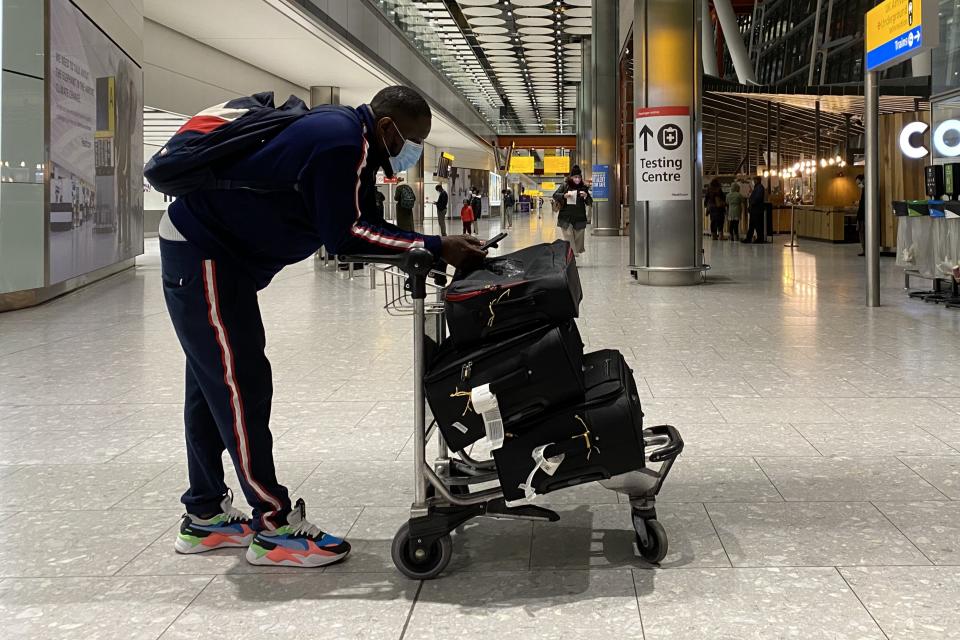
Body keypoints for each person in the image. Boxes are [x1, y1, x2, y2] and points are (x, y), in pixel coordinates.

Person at [157, 85, 484, 568]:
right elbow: (345, 235)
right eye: (412, 140)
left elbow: (366, 220)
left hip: (215, 255)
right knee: (239, 385)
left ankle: (204, 515)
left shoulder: (353, 138)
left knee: (212, 387)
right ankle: (273, 528)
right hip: (203, 252)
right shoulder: (342, 141)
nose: (410, 152)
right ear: (390, 126)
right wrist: (436, 247)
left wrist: (431, 245)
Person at [553, 165, 592, 255]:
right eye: (575, 177)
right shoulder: (565, 185)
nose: (577, 179)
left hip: (579, 218)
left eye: (579, 177)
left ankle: (573, 253)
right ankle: (572, 256)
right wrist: (564, 195)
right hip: (566, 217)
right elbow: (555, 195)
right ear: (571, 177)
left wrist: (586, 196)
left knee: (578, 241)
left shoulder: (583, 187)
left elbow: (589, 202)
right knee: (569, 237)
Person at [744, 176, 766, 243]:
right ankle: (749, 238)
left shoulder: (759, 188)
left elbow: (757, 198)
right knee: (752, 225)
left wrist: (752, 203)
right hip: (754, 209)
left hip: (756, 209)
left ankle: (759, 238)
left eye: (754, 180)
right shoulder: (757, 187)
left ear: (757, 180)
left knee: (757, 225)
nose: (753, 181)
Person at [856, 174, 866, 256]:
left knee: (862, 233)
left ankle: (865, 250)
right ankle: (865, 250)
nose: (858, 185)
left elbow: (863, 204)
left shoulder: (865, 189)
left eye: (858, 182)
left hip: (862, 216)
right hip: (863, 215)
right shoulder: (865, 189)